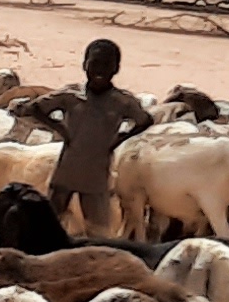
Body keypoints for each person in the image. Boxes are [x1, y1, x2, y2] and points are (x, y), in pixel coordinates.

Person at [14, 38, 152, 232]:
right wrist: (60, 129)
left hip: (96, 178)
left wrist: (118, 140)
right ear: (84, 64)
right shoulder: (70, 95)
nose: (100, 70)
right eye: (95, 63)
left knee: (98, 231)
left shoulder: (122, 102)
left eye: (107, 64)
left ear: (116, 68)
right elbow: (35, 108)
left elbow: (145, 121)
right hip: (65, 172)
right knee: (46, 226)